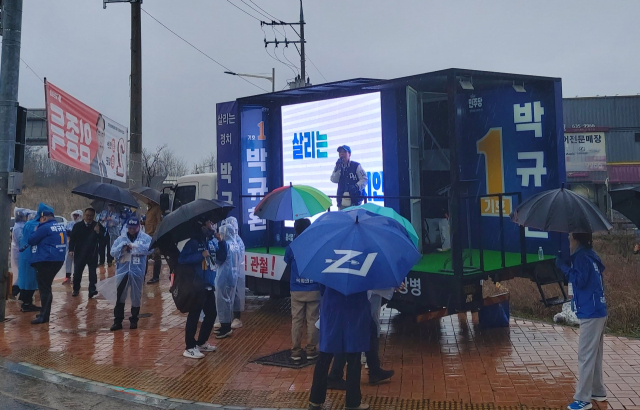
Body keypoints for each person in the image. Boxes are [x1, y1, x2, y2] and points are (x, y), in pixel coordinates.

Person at [556, 233, 607, 410]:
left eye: (570, 237)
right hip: (598, 309)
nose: (568, 240)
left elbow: (580, 280)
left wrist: (564, 267)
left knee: (585, 355)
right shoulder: (590, 255)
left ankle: (583, 399)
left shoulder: (581, 258)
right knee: (595, 355)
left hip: (591, 312)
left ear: (576, 239)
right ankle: (598, 391)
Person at [309, 287, 371, 410]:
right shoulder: (363, 267)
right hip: (355, 308)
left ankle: (315, 400)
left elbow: (321, 287)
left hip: (332, 307)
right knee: (353, 356)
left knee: (325, 355)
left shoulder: (327, 267)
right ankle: (353, 403)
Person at [178, 218, 219, 359]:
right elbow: (182, 259)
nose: (212, 225)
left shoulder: (209, 241)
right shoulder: (193, 243)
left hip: (208, 284)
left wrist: (222, 241)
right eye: (209, 223)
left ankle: (201, 342)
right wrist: (199, 255)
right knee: (194, 315)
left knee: (212, 313)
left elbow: (221, 256)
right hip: (196, 286)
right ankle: (189, 347)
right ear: (202, 226)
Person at [284, 218, 320, 361]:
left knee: (297, 320)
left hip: (297, 288)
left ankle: (296, 351)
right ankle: (311, 350)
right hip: (314, 288)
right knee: (313, 320)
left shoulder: (292, 246)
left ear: (295, 229)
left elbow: (287, 261)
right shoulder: (316, 245)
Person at [26, 203, 67, 325]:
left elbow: (31, 240)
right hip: (57, 259)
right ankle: (45, 312)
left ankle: (44, 316)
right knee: (47, 287)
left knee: (45, 289)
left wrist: (35, 230)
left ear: (43, 217)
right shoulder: (59, 226)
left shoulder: (44, 227)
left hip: (45, 260)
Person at [108, 217, 152, 331]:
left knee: (136, 295)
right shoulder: (121, 239)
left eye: (134, 228)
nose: (131, 230)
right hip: (122, 271)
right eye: (130, 228)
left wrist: (135, 247)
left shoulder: (145, 238)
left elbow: (151, 249)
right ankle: (118, 321)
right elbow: (112, 252)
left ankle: (134, 319)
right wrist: (122, 248)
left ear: (138, 227)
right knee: (120, 296)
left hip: (137, 271)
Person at [69, 208, 107, 298]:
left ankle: (92, 290)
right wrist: (71, 249)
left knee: (93, 274)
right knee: (77, 273)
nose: (89, 217)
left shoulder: (97, 226)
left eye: (91, 216)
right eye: (87, 215)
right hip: (80, 253)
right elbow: (72, 239)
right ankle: (76, 289)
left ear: (94, 216)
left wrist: (98, 232)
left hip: (92, 253)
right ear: (84, 215)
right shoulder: (77, 226)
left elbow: (103, 240)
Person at [214, 224, 240, 339]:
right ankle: (226, 325)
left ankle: (225, 327)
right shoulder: (235, 243)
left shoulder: (226, 244)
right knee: (229, 301)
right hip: (233, 276)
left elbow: (220, 259)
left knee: (223, 302)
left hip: (223, 276)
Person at [221, 217, 245, 329]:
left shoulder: (237, 241)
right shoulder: (230, 241)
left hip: (235, 272)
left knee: (235, 294)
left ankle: (237, 317)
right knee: (228, 295)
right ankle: (227, 318)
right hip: (230, 272)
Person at [330, 145, 368, 210]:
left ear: (349, 154)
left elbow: (364, 179)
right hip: (342, 202)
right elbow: (334, 180)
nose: (342, 154)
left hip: (354, 202)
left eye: (344, 152)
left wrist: (356, 186)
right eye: (340, 152)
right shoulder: (338, 167)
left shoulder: (356, 166)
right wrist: (337, 168)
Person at [17, 210, 40, 312]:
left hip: (24, 254)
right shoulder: (35, 225)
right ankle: (27, 304)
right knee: (31, 280)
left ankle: (25, 301)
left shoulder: (26, 225)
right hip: (32, 254)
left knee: (25, 278)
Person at [11, 208, 30, 297]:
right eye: (25, 216)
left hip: (20, 252)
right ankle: (14, 291)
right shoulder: (19, 227)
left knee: (23, 273)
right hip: (20, 253)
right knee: (23, 273)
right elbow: (21, 240)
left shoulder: (22, 225)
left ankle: (17, 292)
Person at [145, 201, 163, 284]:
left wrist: (157, 233)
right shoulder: (149, 209)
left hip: (153, 235)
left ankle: (156, 276)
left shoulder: (157, 209)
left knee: (156, 256)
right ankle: (143, 275)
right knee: (145, 255)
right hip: (147, 235)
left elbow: (159, 222)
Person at [98, 203, 121, 267]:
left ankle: (110, 261)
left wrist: (111, 219)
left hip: (112, 232)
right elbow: (98, 218)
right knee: (101, 246)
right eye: (109, 206)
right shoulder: (103, 212)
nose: (110, 207)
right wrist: (102, 218)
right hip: (103, 230)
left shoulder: (116, 214)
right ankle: (101, 261)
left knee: (110, 246)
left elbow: (117, 221)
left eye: (112, 206)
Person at [64, 210, 83, 284]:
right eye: (74, 215)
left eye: (77, 215)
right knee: (68, 260)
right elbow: (67, 233)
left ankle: (76, 276)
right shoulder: (69, 224)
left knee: (77, 261)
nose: (75, 217)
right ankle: (67, 275)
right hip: (70, 244)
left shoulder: (82, 225)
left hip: (79, 245)